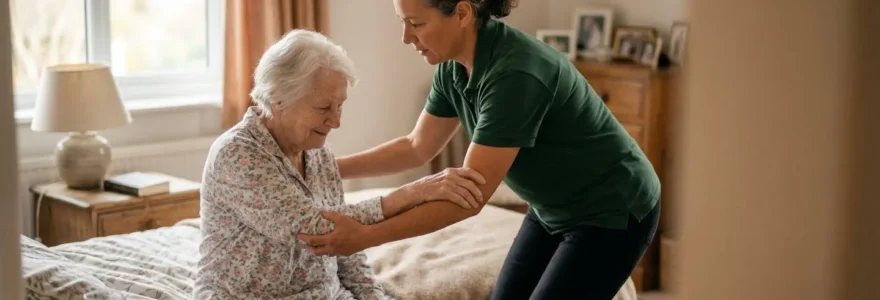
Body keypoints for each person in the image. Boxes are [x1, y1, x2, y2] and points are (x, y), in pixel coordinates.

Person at [297, 0, 661, 299]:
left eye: (416, 23)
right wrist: (322, 166)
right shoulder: (453, 66)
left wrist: (366, 236)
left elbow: (467, 199)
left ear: (462, 13)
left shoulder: (514, 75)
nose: (406, 37)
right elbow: (416, 146)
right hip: (552, 207)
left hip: (611, 209)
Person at [194, 29, 486, 300]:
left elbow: (348, 250)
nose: (336, 121)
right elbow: (320, 230)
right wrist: (413, 192)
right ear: (278, 99)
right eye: (324, 108)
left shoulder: (316, 151)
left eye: (340, 105)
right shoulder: (237, 154)